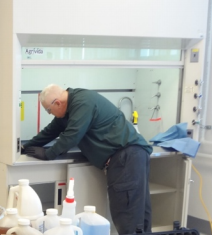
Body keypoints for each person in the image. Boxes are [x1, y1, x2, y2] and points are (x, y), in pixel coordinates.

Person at [22, 84, 153, 234]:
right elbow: (50, 132)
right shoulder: (68, 109)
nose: (50, 114)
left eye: (49, 110)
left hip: (126, 158)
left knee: (128, 215)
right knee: (138, 213)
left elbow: (72, 135)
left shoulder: (82, 103)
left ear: (57, 103)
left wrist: (48, 154)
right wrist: (26, 147)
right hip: (131, 157)